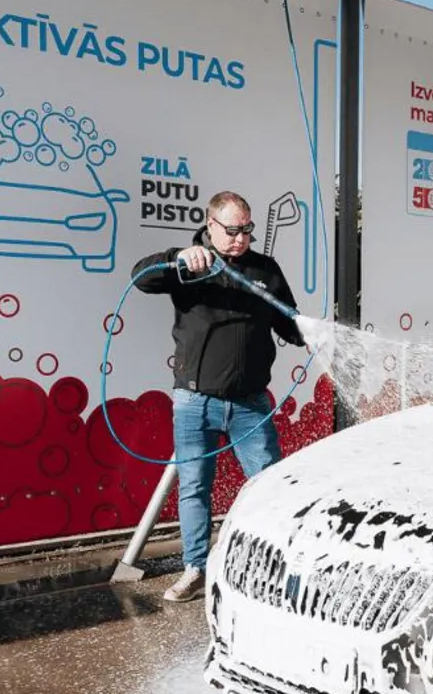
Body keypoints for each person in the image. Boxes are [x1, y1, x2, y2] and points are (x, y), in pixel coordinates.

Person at [131, 190, 305, 602]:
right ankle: (195, 569)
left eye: (247, 230)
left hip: (250, 405)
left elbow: (287, 321)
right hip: (195, 403)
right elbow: (141, 277)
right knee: (194, 487)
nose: (241, 239)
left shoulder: (265, 269)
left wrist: (308, 332)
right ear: (210, 225)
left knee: (269, 486)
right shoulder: (189, 265)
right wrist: (178, 257)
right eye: (232, 230)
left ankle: (274, 568)